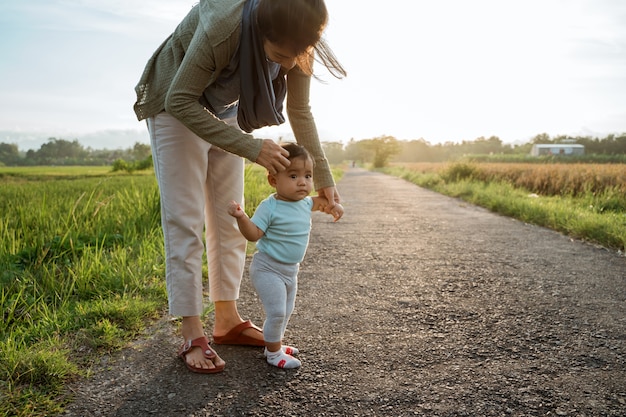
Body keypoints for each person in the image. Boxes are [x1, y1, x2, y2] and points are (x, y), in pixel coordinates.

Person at [133, 0, 346, 374]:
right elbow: (179, 99)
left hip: (225, 112)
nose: (292, 63)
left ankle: (227, 321)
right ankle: (191, 330)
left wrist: (324, 179)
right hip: (175, 105)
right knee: (184, 221)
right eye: (281, 55)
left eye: (299, 54)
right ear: (260, 31)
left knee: (231, 220)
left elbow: (300, 111)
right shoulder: (225, 26)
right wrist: (251, 147)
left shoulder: (299, 42)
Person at [227, 143, 343, 368]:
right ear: (273, 180)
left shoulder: (306, 202)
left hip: (292, 271)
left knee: (286, 311)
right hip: (268, 268)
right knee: (277, 311)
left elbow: (327, 205)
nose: (302, 182)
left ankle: (275, 344)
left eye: (308, 176)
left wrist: (337, 207)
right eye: (293, 176)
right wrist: (242, 217)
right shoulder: (269, 207)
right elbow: (253, 234)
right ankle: (273, 354)